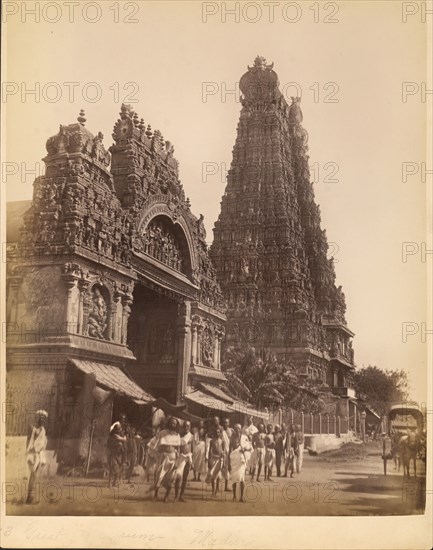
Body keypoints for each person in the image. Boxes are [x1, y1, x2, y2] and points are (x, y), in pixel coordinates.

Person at [153, 417, 181, 502]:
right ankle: (155, 495)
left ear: (176, 425)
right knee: (158, 476)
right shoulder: (163, 433)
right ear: (169, 423)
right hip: (163, 457)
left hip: (172, 457)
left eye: (175, 423)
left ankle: (166, 496)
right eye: (171, 422)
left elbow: (178, 449)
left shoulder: (177, 435)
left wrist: (177, 462)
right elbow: (156, 442)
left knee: (171, 478)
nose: (173, 424)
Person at [25, 410, 48, 504]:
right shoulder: (32, 428)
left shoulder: (43, 430)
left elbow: (43, 442)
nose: (42, 419)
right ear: (37, 417)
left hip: (39, 455)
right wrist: (28, 451)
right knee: (33, 474)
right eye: (40, 417)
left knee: (34, 477)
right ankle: (29, 498)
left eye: (44, 418)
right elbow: (28, 440)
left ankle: (29, 498)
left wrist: (41, 450)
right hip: (31, 454)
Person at [228, 423, 252, 502]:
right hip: (234, 459)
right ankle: (234, 496)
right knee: (234, 478)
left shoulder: (244, 438)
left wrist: (244, 449)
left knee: (242, 479)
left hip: (241, 460)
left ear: (241, 429)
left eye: (239, 428)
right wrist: (228, 463)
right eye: (236, 428)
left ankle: (241, 497)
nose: (237, 429)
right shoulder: (232, 438)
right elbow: (229, 451)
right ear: (234, 429)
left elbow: (250, 449)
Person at [174, 421, 193, 502]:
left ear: (190, 427)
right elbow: (177, 447)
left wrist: (192, 460)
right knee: (178, 477)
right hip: (181, 457)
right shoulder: (179, 435)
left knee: (185, 478)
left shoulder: (191, 436)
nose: (186, 427)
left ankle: (181, 496)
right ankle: (176, 495)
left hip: (188, 457)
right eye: (185, 426)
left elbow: (193, 448)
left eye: (188, 426)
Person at [207, 427, 226, 496]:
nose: (217, 433)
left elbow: (223, 452)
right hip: (213, 458)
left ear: (220, 433)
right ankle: (213, 491)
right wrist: (209, 460)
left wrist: (223, 462)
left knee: (218, 475)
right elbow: (209, 451)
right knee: (212, 475)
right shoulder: (211, 441)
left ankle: (216, 489)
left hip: (219, 459)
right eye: (216, 432)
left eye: (219, 432)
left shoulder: (222, 441)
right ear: (214, 433)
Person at [107, 423, 127, 488]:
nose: (119, 430)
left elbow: (124, 439)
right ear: (115, 429)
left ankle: (114, 483)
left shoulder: (118, 435)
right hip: (113, 454)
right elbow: (124, 439)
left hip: (119, 454)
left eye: (120, 429)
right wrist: (123, 438)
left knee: (118, 469)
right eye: (118, 429)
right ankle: (110, 484)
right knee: (113, 469)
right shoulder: (114, 435)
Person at [222, 418, 233, 492]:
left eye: (227, 422)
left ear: (229, 423)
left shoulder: (231, 431)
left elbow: (232, 442)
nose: (225, 424)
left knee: (227, 469)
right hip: (222, 451)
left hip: (228, 452)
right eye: (224, 422)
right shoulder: (221, 431)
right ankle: (215, 488)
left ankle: (226, 486)